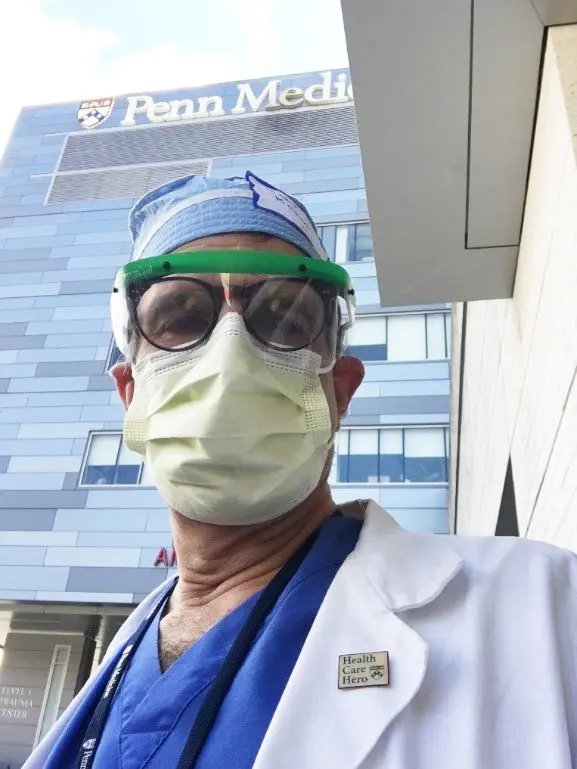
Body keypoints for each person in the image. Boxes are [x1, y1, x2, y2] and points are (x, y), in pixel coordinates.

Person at [25, 172, 576, 769]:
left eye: (283, 318)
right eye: (181, 319)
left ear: (339, 393)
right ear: (131, 394)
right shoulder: (114, 673)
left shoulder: (541, 611)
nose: (230, 354)